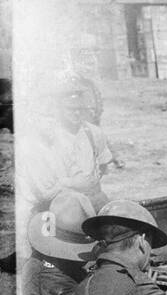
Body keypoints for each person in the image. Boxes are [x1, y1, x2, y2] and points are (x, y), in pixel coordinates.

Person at [15, 75, 114, 259]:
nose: (76, 113)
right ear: (59, 109)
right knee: (53, 256)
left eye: (80, 109)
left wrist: (84, 183)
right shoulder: (49, 138)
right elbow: (46, 191)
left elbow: (101, 168)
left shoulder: (93, 133)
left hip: (91, 201)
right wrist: (72, 183)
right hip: (58, 208)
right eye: (70, 109)